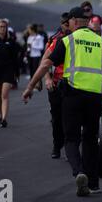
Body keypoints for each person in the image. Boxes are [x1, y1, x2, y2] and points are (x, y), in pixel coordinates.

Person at [22, 7, 102, 196]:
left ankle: (79, 172)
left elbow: (46, 64)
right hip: (96, 98)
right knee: (91, 140)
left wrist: (30, 86)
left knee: (71, 138)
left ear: (74, 21)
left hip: (73, 96)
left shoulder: (68, 40)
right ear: (88, 22)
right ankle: (93, 184)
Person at [42, 13, 70, 158]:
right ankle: (57, 145)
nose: (66, 26)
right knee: (57, 119)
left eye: (68, 23)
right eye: (64, 23)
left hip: (73, 85)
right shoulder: (55, 39)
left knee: (70, 119)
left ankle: (70, 147)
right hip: (56, 84)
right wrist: (47, 79)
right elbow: (45, 61)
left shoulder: (78, 39)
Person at [26, 24, 45, 90]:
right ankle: (32, 85)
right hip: (30, 56)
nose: (28, 31)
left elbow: (41, 47)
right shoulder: (29, 37)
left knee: (36, 71)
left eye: (29, 30)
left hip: (36, 56)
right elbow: (28, 47)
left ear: (32, 30)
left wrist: (32, 46)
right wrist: (27, 52)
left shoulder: (39, 37)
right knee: (31, 71)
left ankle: (39, 85)